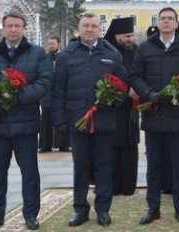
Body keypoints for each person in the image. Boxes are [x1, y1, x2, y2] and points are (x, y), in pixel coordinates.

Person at [0, 12, 52, 232]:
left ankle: (31, 214)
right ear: (3, 29)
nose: (13, 30)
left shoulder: (37, 53)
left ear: (24, 29)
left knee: (30, 172)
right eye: (9, 26)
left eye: (17, 26)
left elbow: (44, 82)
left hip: (25, 123)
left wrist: (18, 98)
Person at [131, 7, 179, 225]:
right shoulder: (146, 48)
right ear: (158, 23)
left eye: (170, 19)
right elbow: (135, 76)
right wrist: (149, 94)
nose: (166, 22)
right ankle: (153, 207)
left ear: (176, 24)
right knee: (153, 165)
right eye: (162, 19)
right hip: (153, 115)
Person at [52, 13, 127, 227]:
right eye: (85, 25)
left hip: (103, 121)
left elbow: (123, 85)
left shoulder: (112, 54)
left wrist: (112, 102)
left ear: (99, 29)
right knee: (81, 168)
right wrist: (59, 120)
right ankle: (80, 209)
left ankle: (103, 209)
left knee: (104, 167)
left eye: (94, 25)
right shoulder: (66, 54)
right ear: (79, 28)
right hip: (78, 121)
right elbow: (57, 90)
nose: (89, 29)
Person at [103, 17, 140, 196]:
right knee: (113, 147)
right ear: (116, 36)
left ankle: (129, 186)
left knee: (130, 146)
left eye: (132, 35)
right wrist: (125, 93)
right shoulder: (107, 52)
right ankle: (113, 185)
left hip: (132, 107)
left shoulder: (136, 51)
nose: (130, 39)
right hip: (113, 107)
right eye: (126, 36)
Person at [39, 35, 69, 152]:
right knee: (46, 120)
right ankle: (45, 145)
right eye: (50, 44)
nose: (51, 46)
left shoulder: (64, 57)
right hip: (47, 94)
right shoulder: (45, 58)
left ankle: (63, 144)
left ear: (59, 44)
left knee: (62, 118)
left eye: (53, 44)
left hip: (61, 93)